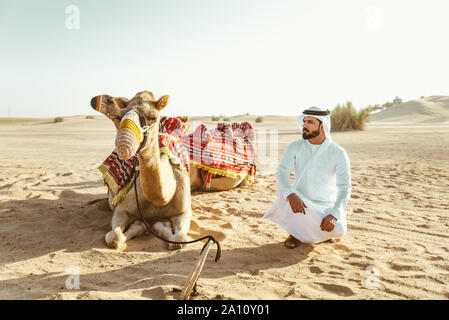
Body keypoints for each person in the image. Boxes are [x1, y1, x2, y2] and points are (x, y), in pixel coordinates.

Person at [263, 106, 352, 248]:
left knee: (339, 228)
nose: (304, 125)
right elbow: (282, 173)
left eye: (310, 122)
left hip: (325, 206)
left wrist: (334, 214)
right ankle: (295, 234)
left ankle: (315, 232)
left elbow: (344, 187)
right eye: (304, 121)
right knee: (283, 193)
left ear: (322, 125)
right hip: (300, 200)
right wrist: (291, 194)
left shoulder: (338, 152)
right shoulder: (295, 147)